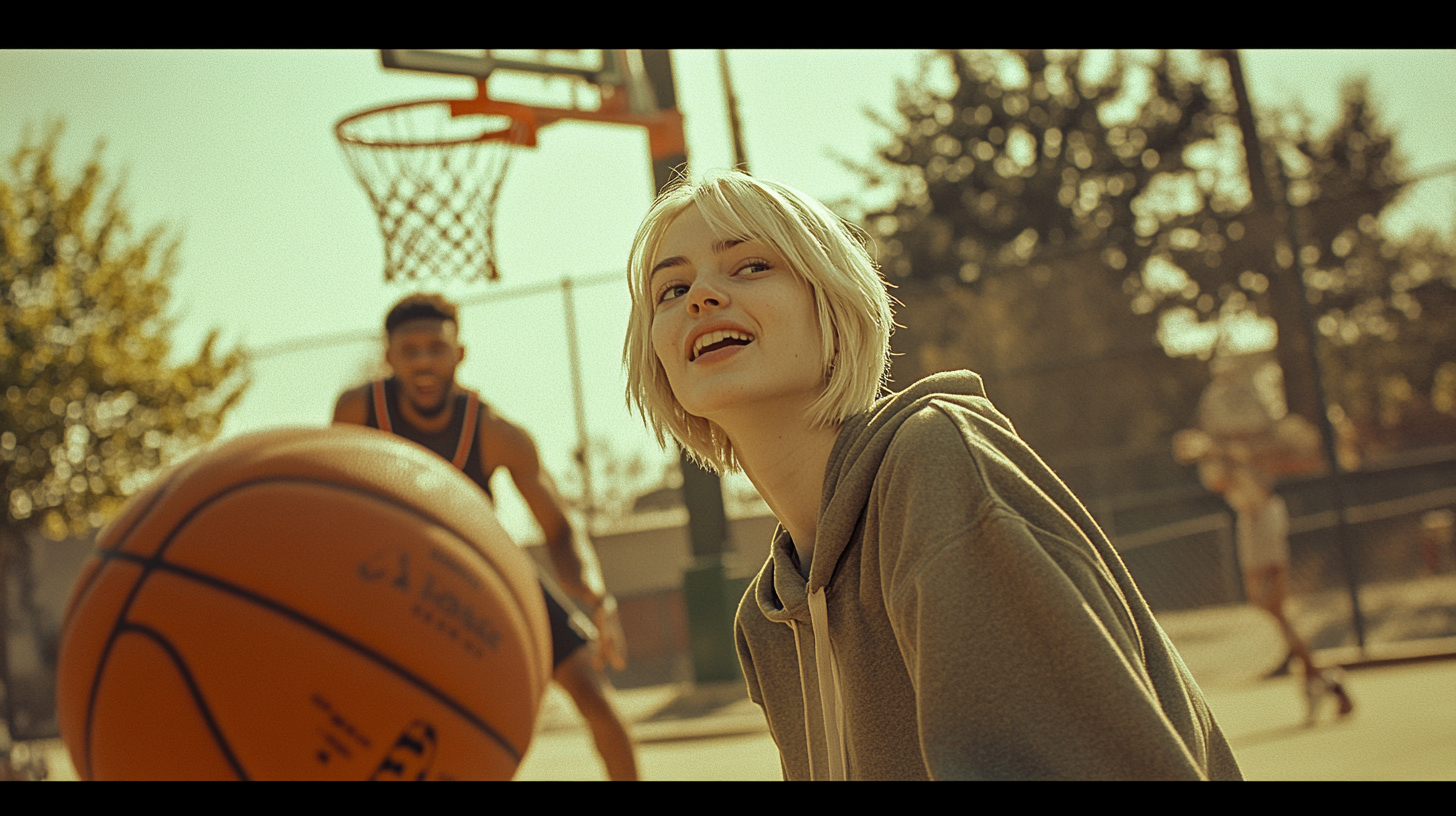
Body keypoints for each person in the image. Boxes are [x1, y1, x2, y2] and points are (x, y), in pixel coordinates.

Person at [622, 170, 1243, 780]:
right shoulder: (769, 618)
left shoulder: (936, 466)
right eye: (670, 290)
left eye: (751, 266)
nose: (701, 295)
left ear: (833, 301)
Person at [334, 294, 639, 781]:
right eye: (409, 350)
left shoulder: (495, 433)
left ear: (460, 353)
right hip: (393, 573)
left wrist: (596, 595)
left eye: (436, 348)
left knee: (591, 688)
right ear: (388, 357)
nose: (423, 361)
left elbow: (560, 529)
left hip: (482, 568)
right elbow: (331, 508)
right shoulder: (357, 411)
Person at [1174, 424, 1354, 724]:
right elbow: (1218, 482)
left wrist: (1214, 449)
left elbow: (1260, 470)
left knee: (1277, 607)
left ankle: (1321, 679)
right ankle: (1322, 678)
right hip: (1249, 521)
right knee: (1264, 605)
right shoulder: (1219, 464)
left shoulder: (1241, 452)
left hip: (1265, 517)